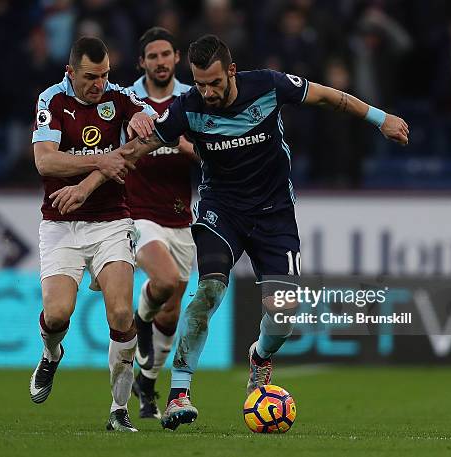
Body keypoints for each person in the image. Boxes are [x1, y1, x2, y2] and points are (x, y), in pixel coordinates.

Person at [50, 34, 409, 430]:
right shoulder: (188, 108)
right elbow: (133, 152)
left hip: (275, 217)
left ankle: (260, 357)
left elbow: (328, 97)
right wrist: (84, 187)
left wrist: (382, 119)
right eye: (200, 83)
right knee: (209, 290)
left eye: (215, 83)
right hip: (222, 212)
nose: (207, 91)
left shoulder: (269, 85)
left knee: (285, 313)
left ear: (232, 71)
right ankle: (179, 393)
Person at [29, 36, 157, 433]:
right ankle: (51, 355)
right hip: (61, 223)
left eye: (103, 75)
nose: (98, 84)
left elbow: (150, 131)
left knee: (120, 312)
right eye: (89, 77)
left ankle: (118, 411)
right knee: (58, 313)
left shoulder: (119, 99)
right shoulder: (51, 101)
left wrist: (143, 121)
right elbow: (44, 161)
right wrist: (104, 158)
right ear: (70, 72)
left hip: (112, 220)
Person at [125, 27, 197, 420]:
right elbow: (116, 152)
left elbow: (209, 154)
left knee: (172, 312)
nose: (160, 61)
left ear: (176, 57)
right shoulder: (126, 99)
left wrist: (189, 148)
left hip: (180, 216)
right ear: (142, 63)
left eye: (166, 54)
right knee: (164, 281)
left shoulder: (191, 98)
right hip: (138, 213)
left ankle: (147, 382)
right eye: (152, 56)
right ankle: (140, 321)